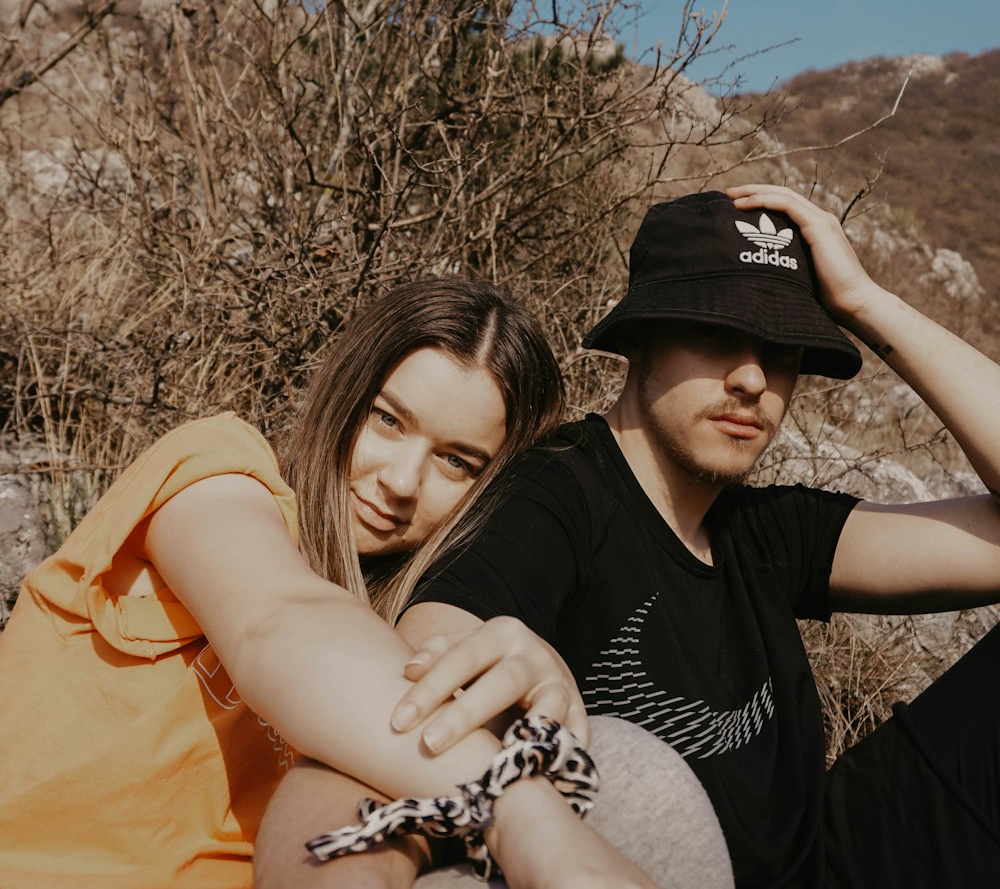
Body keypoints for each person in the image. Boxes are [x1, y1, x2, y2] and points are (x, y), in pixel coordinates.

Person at [260, 185, 1000, 888]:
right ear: (641, 338)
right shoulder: (555, 495)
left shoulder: (770, 530)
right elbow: (430, 659)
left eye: (781, 352)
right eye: (718, 334)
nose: (751, 377)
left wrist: (866, 303)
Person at [0, 276, 661, 889]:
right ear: (345, 393)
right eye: (388, 420)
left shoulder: (408, 632)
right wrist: (519, 806)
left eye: (456, 462)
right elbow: (278, 619)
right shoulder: (214, 472)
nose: (401, 482)